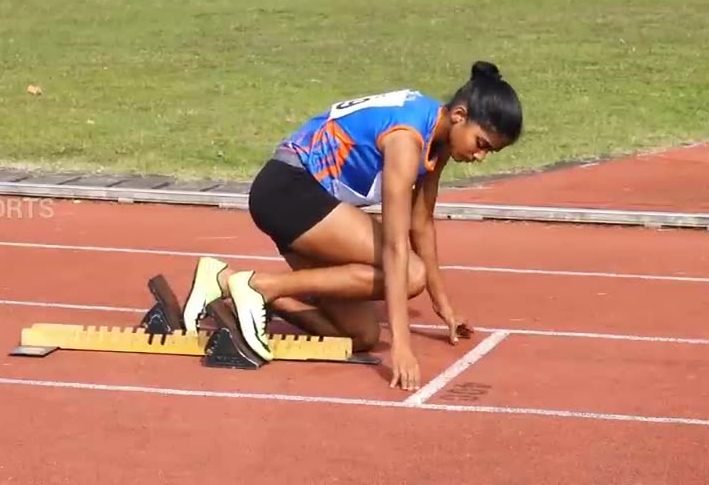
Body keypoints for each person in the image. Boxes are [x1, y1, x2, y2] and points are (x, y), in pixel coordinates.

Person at [181, 61, 524, 390]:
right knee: (409, 274)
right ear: (460, 115)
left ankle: (228, 283)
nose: (479, 157)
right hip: (287, 190)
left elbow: (421, 224)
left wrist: (443, 305)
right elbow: (394, 244)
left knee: (361, 337)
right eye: (481, 144)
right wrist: (402, 347)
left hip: (311, 208)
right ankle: (259, 287)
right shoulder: (406, 137)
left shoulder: (442, 137)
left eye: (489, 153)